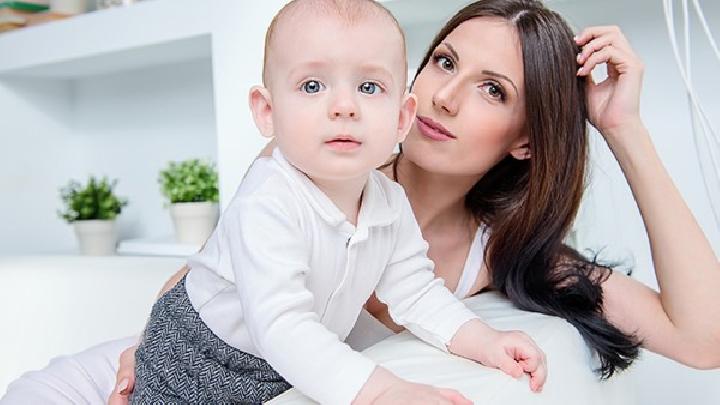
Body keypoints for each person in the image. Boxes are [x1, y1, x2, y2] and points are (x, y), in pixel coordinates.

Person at [2, 0, 717, 404]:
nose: (445, 95)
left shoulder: (499, 252)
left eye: (493, 89)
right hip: (149, 365)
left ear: (528, 139)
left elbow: (704, 338)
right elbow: (206, 277)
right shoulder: (315, 164)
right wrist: (148, 350)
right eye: (444, 61)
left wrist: (623, 128)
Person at [128, 0, 547, 404]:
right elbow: (282, 326)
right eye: (312, 85)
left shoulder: (388, 201)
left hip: (291, 363)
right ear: (267, 111)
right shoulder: (268, 199)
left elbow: (417, 293)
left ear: (402, 118)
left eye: (369, 86)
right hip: (195, 362)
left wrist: (484, 340)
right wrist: (382, 391)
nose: (344, 107)